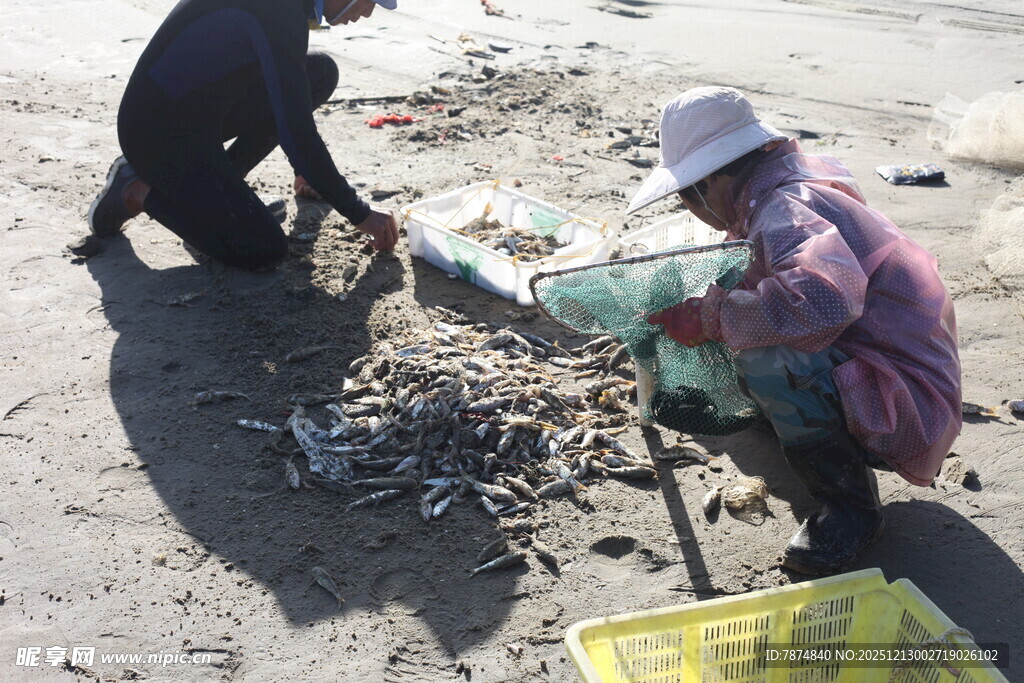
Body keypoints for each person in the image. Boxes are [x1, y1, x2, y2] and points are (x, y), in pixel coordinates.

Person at [631, 86, 961, 575]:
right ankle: (795, 420)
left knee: (764, 352)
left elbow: (826, 299)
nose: (689, 206)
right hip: (881, 363)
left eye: (687, 195)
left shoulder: (786, 207)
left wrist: (710, 317)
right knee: (740, 305)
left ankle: (852, 510)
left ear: (711, 180)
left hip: (910, 402)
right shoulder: (780, 186)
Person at [88, 0, 400, 269]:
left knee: (319, 73)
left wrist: (308, 171)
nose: (368, 12)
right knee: (263, 249)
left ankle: (224, 193)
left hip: (203, 107)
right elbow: (296, 132)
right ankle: (136, 192)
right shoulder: (279, 9)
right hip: (158, 131)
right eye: (368, 0)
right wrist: (359, 212)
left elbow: (288, 96)